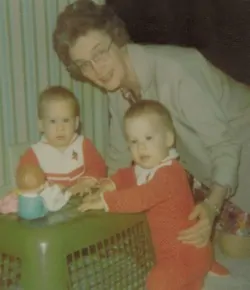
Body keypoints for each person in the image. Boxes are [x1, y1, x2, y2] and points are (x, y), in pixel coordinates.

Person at [52, 0, 250, 273]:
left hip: (241, 150)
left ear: (117, 38)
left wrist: (212, 206)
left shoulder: (176, 71)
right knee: (206, 241)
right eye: (85, 65)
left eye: (100, 53)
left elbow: (224, 145)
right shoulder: (117, 91)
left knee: (234, 254)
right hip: (208, 169)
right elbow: (120, 158)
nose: (97, 70)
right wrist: (94, 189)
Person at [79, 100, 213, 290]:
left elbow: (143, 197)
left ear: (168, 139)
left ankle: (197, 274)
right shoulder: (144, 168)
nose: (141, 148)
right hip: (175, 252)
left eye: (148, 138)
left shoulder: (171, 173)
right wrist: (111, 183)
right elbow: (127, 175)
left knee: (157, 282)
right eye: (134, 141)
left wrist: (106, 201)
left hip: (184, 253)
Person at [18, 85, 106, 192]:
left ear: (76, 123)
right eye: (53, 121)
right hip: (49, 204)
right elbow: (25, 177)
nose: (60, 128)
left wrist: (86, 182)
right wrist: (46, 187)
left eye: (66, 120)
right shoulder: (35, 153)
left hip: (81, 198)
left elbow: (98, 166)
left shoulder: (83, 145)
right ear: (41, 125)